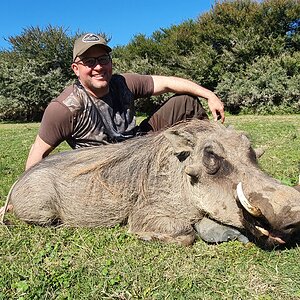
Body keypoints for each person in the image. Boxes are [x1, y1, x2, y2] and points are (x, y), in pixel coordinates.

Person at [25, 33, 225, 171]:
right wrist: (21, 195)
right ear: (76, 68)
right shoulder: (64, 108)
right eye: (89, 62)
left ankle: (212, 160)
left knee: (185, 102)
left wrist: (209, 94)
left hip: (140, 143)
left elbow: (167, 83)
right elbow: (38, 152)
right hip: (108, 167)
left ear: (111, 62)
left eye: (103, 59)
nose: (98, 67)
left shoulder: (123, 83)